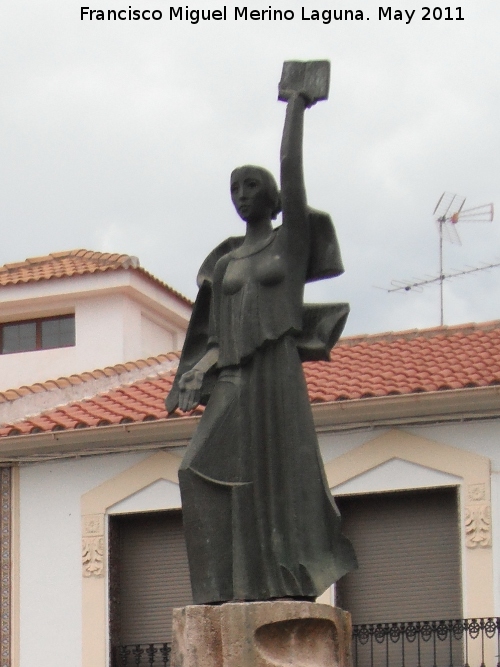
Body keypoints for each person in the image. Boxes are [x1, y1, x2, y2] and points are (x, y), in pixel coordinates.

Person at [165, 89, 357, 605]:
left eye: (252, 185)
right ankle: (219, 589)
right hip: (233, 376)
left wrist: (295, 108)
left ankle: (278, 577)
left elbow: (292, 171)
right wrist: (194, 371)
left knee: (273, 477)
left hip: (275, 373)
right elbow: (216, 335)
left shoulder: (289, 243)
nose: (242, 194)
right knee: (197, 470)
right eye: (235, 187)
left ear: (272, 197)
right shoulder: (225, 263)